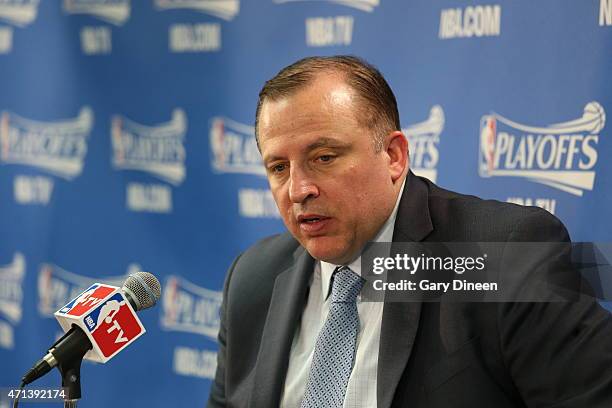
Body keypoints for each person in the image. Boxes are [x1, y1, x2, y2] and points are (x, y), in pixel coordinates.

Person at [207, 55, 612, 408]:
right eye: (278, 168)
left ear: (394, 156)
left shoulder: (504, 255)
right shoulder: (252, 278)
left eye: (324, 157)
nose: (298, 189)